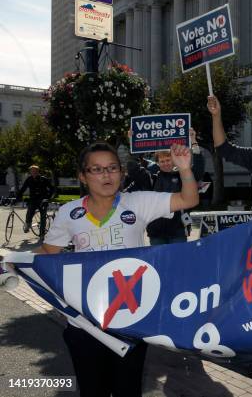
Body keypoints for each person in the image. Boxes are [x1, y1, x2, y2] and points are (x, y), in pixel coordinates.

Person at [34, 142, 200, 396]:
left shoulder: (139, 202)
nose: (106, 175)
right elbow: (47, 254)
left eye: (112, 168)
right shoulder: (69, 212)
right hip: (84, 322)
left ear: (121, 172)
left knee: (128, 390)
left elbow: (189, 198)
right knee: (92, 391)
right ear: (83, 175)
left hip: (129, 320)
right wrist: (13, 261)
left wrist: (185, 169)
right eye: (96, 169)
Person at [147, 129, 205, 245]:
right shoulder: (152, 177)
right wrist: (132, 141)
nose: (165, 163)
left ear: (173, 160)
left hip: (177, 230)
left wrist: (193, 140)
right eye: (162, 161)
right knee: (158, 263)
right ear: (157, 163)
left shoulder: (182, 174)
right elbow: (136, 168)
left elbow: (198, 169)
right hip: (156, 232)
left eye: (168, 160)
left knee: (179, 262)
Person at [16, 165, 55, 235]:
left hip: (43, 201)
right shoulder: (29, 179)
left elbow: (52, 189)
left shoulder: (44, 179)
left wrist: (47, 198)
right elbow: (23, 188)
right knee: (29, 214)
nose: (34, 172)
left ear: (38, 171)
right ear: (30, 172)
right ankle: (27, 225)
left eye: (35, 171)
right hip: (33, 200)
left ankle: (42, 233)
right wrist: (19, 196)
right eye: (32, 171)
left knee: (43, 217)